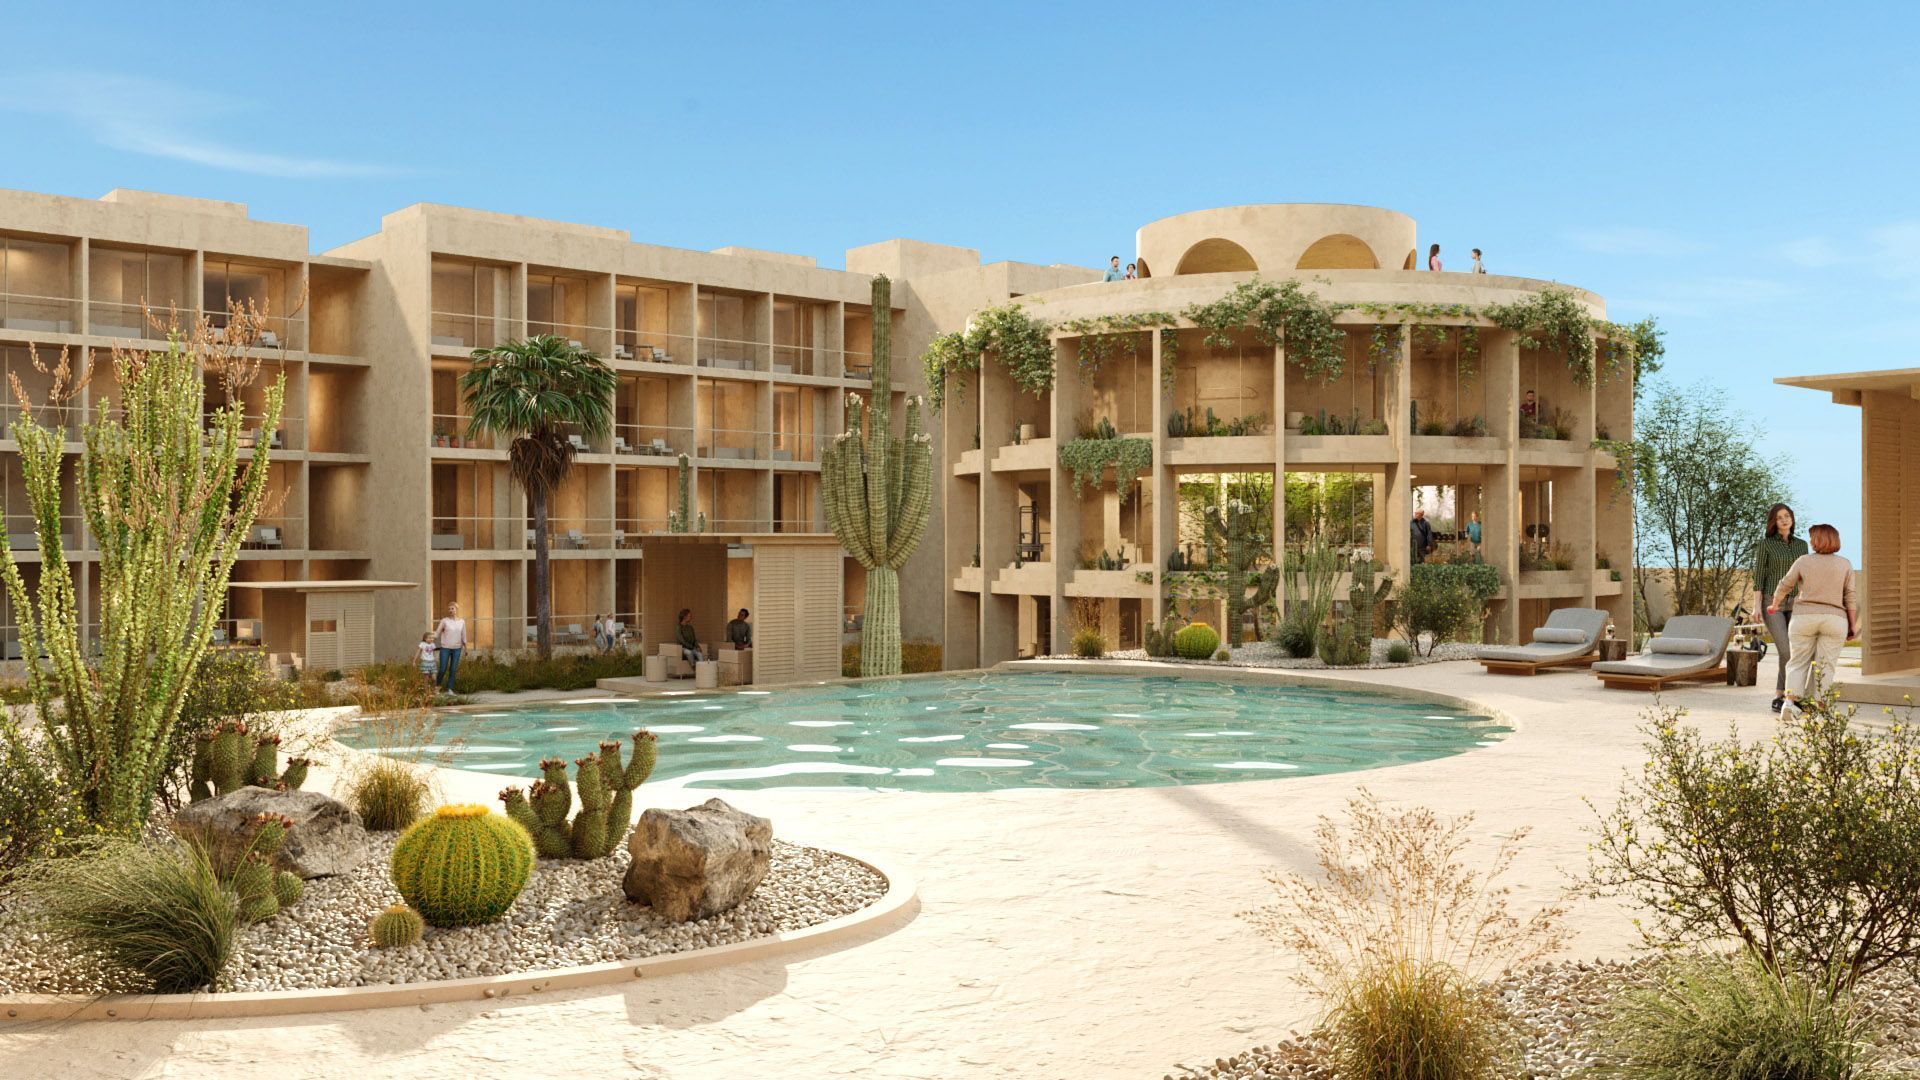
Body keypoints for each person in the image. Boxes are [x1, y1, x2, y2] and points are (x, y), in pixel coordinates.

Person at [1768, 523, 1856, 716]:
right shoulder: (1845, 564)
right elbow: (1850, 597)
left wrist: (1774, 605)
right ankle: (1821, 708)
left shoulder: (1804, 561)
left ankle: (1789, 704)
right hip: (1835, 619)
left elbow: (1784, 584)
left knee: (1798, 662)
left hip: (1804, 617)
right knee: (1826, 665)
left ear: (1817, 540)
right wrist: (1852, 625)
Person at [1752, 502, 1809, 712]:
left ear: (1792, 518)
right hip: (1771, 604)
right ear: (1773, 522)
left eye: (1787, 516)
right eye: (1779, 518)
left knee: (1793, 652)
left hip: (1795, 602)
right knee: (1785, 650)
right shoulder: (1766, 544)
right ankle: (1785, 695)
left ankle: (1782, 696)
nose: (1784, 520)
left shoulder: (1802, 545)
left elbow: (1804, 576)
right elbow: (1759, 576)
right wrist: (1756, 606)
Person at [433, 602, 467, 691]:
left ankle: (449, 689)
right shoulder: (444, 621)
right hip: (445, 648)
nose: (450, 610)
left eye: (452, 608)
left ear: (456, 610)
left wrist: (465, 648)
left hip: (457, 649)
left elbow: (463, 636)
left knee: (453, 670)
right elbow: (437, 633)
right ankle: (436, 687)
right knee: (442, 669)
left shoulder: (461, 622)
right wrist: (428, 640)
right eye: (449, 609)